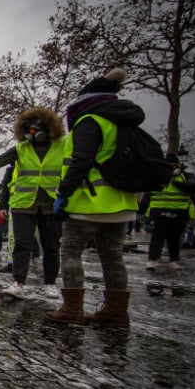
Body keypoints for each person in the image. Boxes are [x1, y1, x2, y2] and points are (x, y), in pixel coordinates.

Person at [46, 68, 141, 327]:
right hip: (120, 201)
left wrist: (63, 193)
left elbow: (82, 161)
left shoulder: (90, 122)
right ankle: (116, 312)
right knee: (112, 255)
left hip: (88, 201)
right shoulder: (125, 124)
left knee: (71, 251)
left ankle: (72, 308)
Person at [0, 106, 66, 299]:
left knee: (51, 245)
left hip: (51, 203)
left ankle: (50, 283)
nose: (32, 132)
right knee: (22, 244)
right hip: (24, 203)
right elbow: (2, 159)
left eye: (36, 128)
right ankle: (18, 283)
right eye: (28, 128)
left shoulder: (62, 145)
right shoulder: (22, 148)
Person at [140, 153, 195, 271]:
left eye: (172, 166)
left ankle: (174, 260)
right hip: (159, 210)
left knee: (175, 237)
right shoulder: (157, 177)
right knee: (157, 236)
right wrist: (141, 211)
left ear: (178, 165)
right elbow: (148, 194)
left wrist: (175, 182)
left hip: (179, 211)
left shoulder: (186, 176)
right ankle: (152, 260)